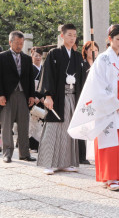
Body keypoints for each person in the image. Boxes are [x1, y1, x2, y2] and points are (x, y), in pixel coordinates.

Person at [68, 24, 119, 191]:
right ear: (110, 39)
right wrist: (112, 102)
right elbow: (97, 85)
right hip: (107, 106)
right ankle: (109, 176)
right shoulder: (102, 59)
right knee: (108, 140)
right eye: (118, 39)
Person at [37, 24, 83, 175]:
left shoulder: (77, 56)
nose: (72, 38)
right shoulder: (54, 53)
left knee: (69, 129)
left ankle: (66, 162)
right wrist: (48, 95)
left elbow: (82, 79)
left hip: (72, 96)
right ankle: (48, 163)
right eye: (69, 35)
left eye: (74, 35)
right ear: (62, 36)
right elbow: (48, 74)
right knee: (53, 128)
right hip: (57, 96)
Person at [0, 31, 36, 163]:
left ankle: (24, 153)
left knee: (23, 125)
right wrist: (1, 95)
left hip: (23, 95)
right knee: (6, 125)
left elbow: (30, 79)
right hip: (7, 95)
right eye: (17, 43)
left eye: (21, 43)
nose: (19, 46)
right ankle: (7, 154)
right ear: (10, 42)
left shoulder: (27, 59)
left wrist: (31, 95)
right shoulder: (2, 57)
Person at [78, 40, 100, 164]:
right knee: (84, 127)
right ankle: (82, 155)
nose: (93, 52)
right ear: (85, 51)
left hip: (97, 98)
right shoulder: (82, 64)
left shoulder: (99, 65)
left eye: (96, 50)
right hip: (85, 97)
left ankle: (94, 153)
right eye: (91, 49)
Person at [28, 47, 44, 152]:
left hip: (42, 99)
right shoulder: (29, 69)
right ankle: (32, 145)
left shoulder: (44, 69)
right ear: (32, 56)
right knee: (32, 122)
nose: (38, 58)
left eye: (39, 55)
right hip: (32, 98)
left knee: (41, 122)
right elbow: (28, 84)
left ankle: (40, 145)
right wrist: (34, 96)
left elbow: (45, 84)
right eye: (35, 55)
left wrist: (42, 96)